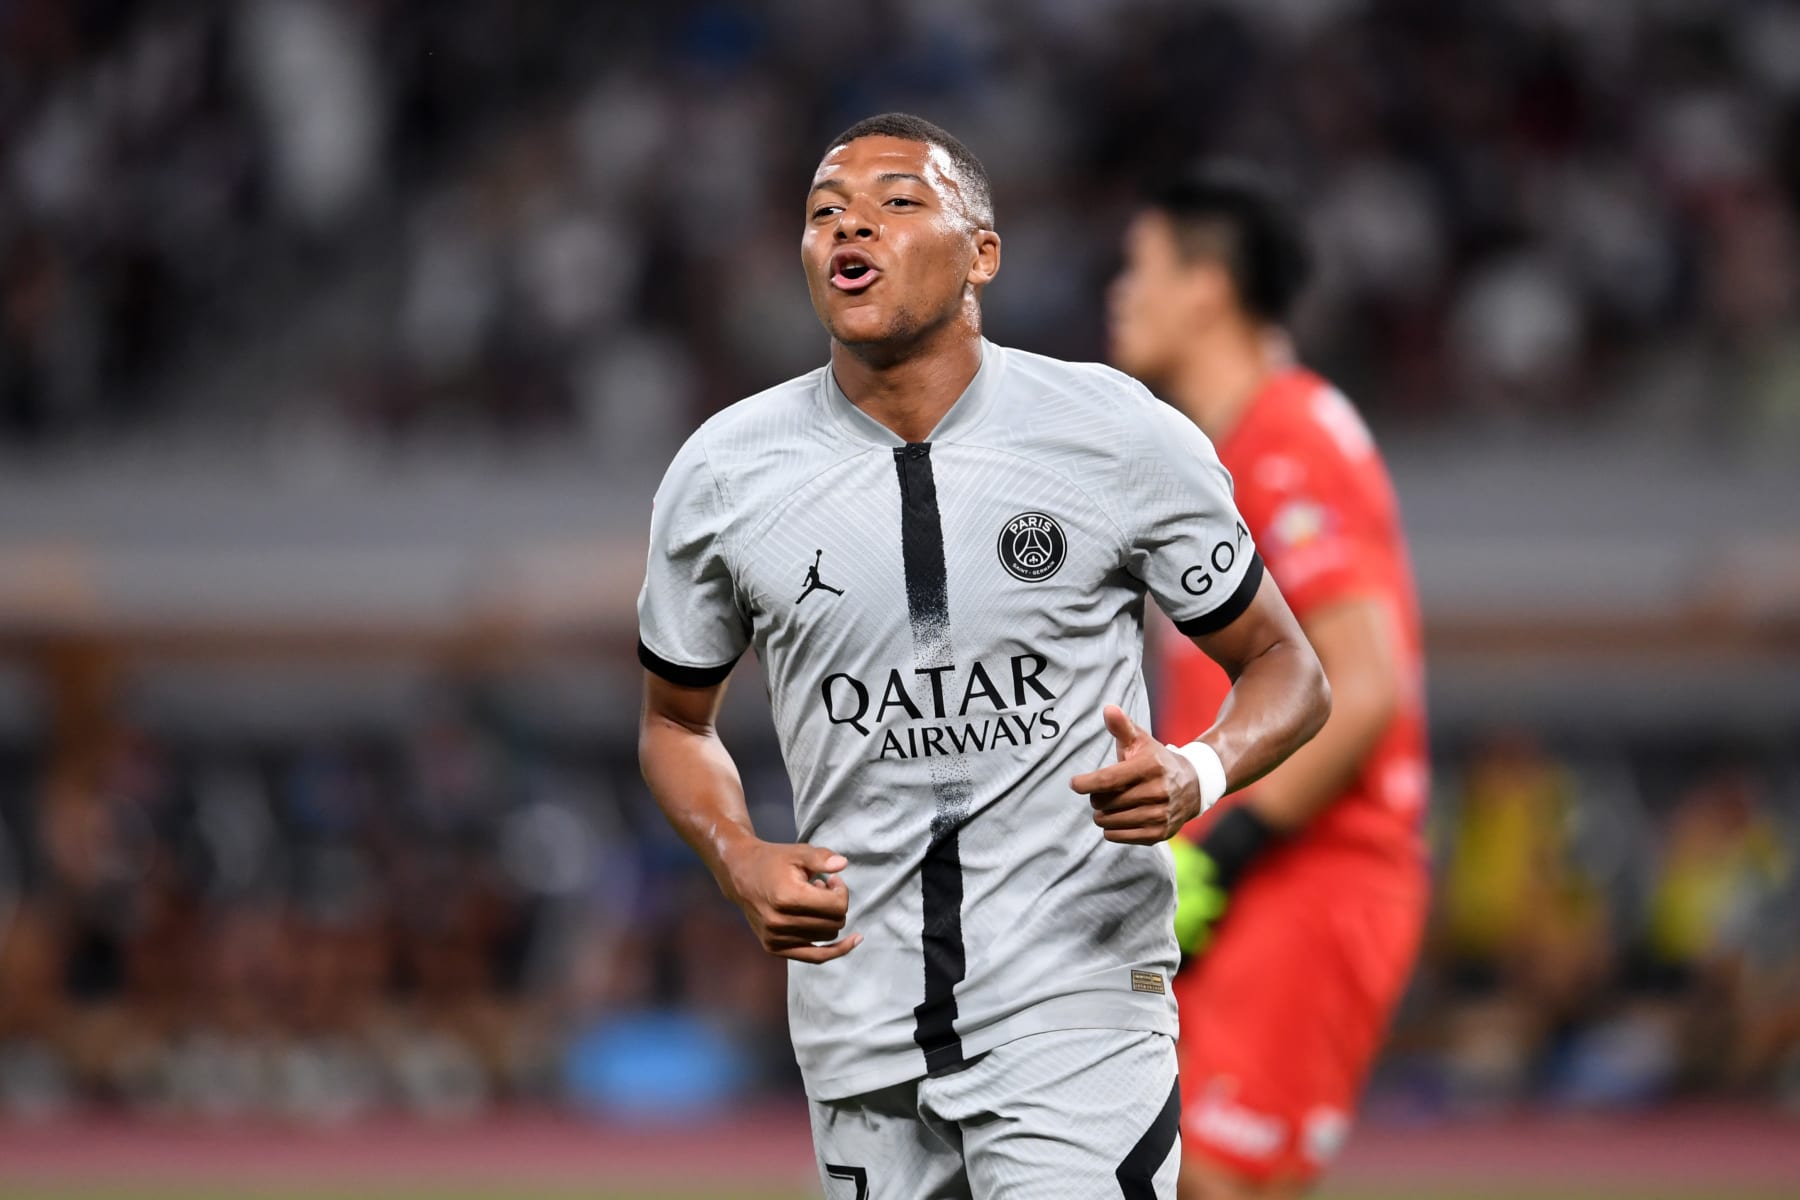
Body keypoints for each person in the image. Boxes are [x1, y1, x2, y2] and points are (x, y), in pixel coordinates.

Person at [637, 115, 1330, 1200]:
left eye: (899, 199)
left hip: (1076, 1003)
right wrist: (738, 856)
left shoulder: (1115, 436)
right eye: (824, 209)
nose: (850, 223)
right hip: (857, 1027)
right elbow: (674, 722)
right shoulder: (725, 476)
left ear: (983, 254)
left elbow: (1290, 667)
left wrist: (1196, 772)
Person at [1107, 164, 1430, 1200]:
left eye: (1141, 266)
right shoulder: (1221, 452)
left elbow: (1365, 683)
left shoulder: (1291, 438)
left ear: (1207, 286)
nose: (1121, 291)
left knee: (1216, 1181)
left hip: (1308, 867)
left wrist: (1226, 850)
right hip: (1236, 875)